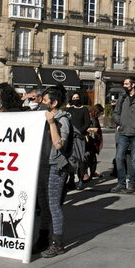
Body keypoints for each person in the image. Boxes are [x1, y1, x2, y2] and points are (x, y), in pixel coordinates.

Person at [34, 85, 72, 258]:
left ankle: (57, 242)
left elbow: (58, 144)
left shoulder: (62, 119)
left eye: (45, 100)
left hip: (56, 166)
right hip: (42, 164)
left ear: (54, 103)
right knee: (43, 205)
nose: (42, 102)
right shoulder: (40, 116)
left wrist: (51, 123)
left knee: (54, 205)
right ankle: (42, 238)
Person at [111, 77, 135, 194]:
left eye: (126, 83)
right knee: (119, 158)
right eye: (124, 83)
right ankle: (121, 183)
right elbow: (116, 113)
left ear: (133, 85)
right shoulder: (122, 98)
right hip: (123, 132)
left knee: (134, 160)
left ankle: (131, 184)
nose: (124, 85)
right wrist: (120, 122)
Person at [66, 92, 90, 189]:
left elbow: (87, 123)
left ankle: (81, 180)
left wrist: (79, 132)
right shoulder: (69, 110)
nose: (75, 99)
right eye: (74, 97)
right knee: (71, 159)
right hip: (70, 137)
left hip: (80, 137)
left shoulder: (84, 109)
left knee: (81, 159)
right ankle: (71, 180)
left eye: (77, 97)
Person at [85, 104, 104, 179]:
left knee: (93, 158)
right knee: (87, 157)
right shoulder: (89, 116)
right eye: (99, 113)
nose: (99, 115)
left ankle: (92, 172)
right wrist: (92, 130)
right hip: (88, 139)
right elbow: (84, 127)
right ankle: (85, 173)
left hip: (94, 139)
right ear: (95, 111)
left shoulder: (94, 117)